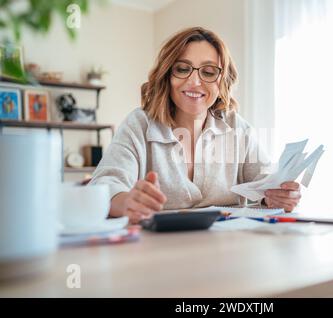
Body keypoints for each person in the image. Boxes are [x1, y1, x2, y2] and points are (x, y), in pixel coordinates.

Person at [89, 27, 301, 224]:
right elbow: (104, 185)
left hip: (228, 250)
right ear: (167, 75)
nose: (194, 81)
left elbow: (265, 183)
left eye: (208, 72)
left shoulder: (238, 128)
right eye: (182, 69)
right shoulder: (139, 124)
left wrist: (279, 197)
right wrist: (126, 202)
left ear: (222, 82)